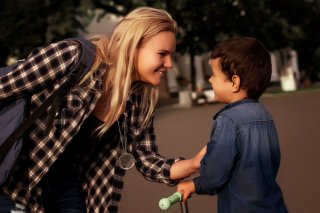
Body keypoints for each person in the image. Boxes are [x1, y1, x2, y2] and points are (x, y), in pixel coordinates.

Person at [0, 7, 205, 213]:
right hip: (13, 180)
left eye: (171, 55)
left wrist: (193, 164)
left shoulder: (139, 100)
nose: (169, 64)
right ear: (132, 46)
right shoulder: (73, 57)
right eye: (162, 54)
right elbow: (4, 87)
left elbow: (146, 159)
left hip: (65, 186)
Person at [176, 36, 288, 213]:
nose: (210, 80)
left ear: (234, 82)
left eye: (214, 74)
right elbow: (273, 161)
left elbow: (215, 173)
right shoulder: (265, 115)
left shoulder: (228, 120)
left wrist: (195, 184)